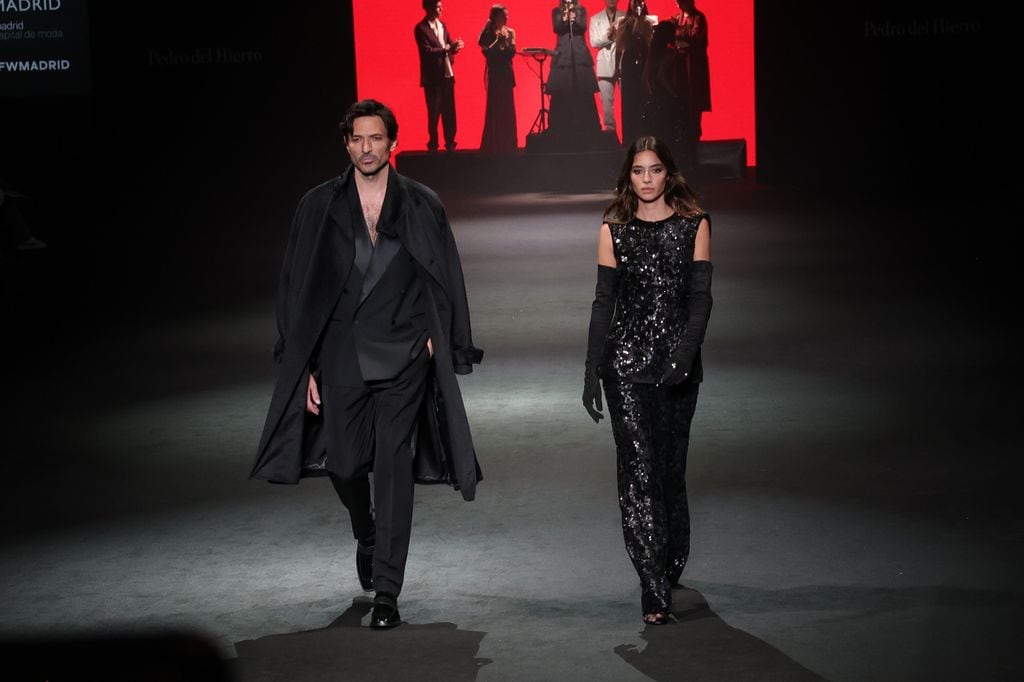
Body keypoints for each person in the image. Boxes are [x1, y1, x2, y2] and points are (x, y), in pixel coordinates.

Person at [250, 99, 484, 630]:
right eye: (357, 139)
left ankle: (387, 592)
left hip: (404, 353)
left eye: (376, 138)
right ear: (347, 145)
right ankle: (367, 530)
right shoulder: (318, 205)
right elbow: (295, 288)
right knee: (346, 463)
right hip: (339, 352)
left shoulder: (421, 203)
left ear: (392, 142)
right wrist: (299, 363)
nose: (366, 147)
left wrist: (442, 342)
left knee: (394, 466)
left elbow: (447, 274)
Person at [582, 136, 713, 625]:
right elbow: (603, 302)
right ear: (628, 177)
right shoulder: (613, 229)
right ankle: (653, 590)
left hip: (678, 366)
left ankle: (669, 562)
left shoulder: (694, 225)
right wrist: (593, 369)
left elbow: (701, 300)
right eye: (638, 171)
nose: (646, 179)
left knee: (669, 470)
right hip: (625, 365)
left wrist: (683, 356)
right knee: (638, 473)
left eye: (655, 170)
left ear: (669, 174)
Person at [415, 1, 464, 152]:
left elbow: (448, 46)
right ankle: (433, 144)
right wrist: (446, 49)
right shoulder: (421, 28)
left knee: (449, 111)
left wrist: (455, 46)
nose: (441, 9)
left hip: (447, 74)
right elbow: (427, 51)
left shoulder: (443, 25)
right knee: (434, 112)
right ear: (428, 8)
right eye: (437, 6)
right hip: (433, 78)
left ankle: (450, 143)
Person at [668, 0, 711, 173]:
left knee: (694, 112)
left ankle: (694, 158)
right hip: (679, 69)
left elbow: (695, 37)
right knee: (681, 111)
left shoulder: (699, 17)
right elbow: (670, 36)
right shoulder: (676, 18)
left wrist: (678, 33)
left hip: (693, 68)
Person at [548, 0, 600, 138]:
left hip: (578, 53)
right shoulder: (556, 11)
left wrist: (573, 20)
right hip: (563, 53)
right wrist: (565, 18)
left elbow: (582, 27)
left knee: (583, 90)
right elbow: (556, 28)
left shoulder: (581, 10)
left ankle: (586, 126)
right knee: (562, 90)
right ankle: (561, 127)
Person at [478, 4, 517, 153]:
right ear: (495, 17)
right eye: (503, 16)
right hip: (495, 74)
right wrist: (497, 42)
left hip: (506, 74)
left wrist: (503, 44)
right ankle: (493, 144)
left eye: (507, 15)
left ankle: (508, 144)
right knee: (494, 109)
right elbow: (486, 50)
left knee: (507, 109)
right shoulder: (488, 33)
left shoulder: (510, 32)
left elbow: (511, 53)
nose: (506, 18)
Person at [615, 0, 656, 145]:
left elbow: (651, 44)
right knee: (629, 100)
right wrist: (616, 69)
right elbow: (619, 47)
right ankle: (630, 138)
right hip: (629, 62)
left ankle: (647, 137)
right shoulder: (624, 22)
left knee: (645, 99)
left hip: (644, 59)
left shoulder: (649, 21)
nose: (638, 4)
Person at [589, 0, 625, 138]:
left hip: (622, 64)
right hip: (604, 65)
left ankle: (628, 135)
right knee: (607, 107)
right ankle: (611, 138)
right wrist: (609, 36)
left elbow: (629, 39)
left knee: (627, 103)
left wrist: (618, 35)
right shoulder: (595, 18)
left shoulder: (625, 16)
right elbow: (594, 42)